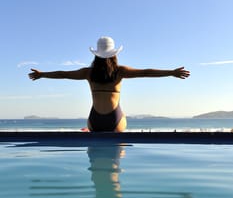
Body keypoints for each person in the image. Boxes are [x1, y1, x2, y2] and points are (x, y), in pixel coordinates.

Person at [28, 36, 190, 132]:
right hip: (115, 120)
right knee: (116, 161)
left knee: (95, 162)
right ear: (114, 54)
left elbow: (63, 74)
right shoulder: (120, 71)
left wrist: (42, 75)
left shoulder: (88, 72)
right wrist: (171, 72)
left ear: (96, 55)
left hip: (94, 121)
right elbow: (146, 72)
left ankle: (89, 131)